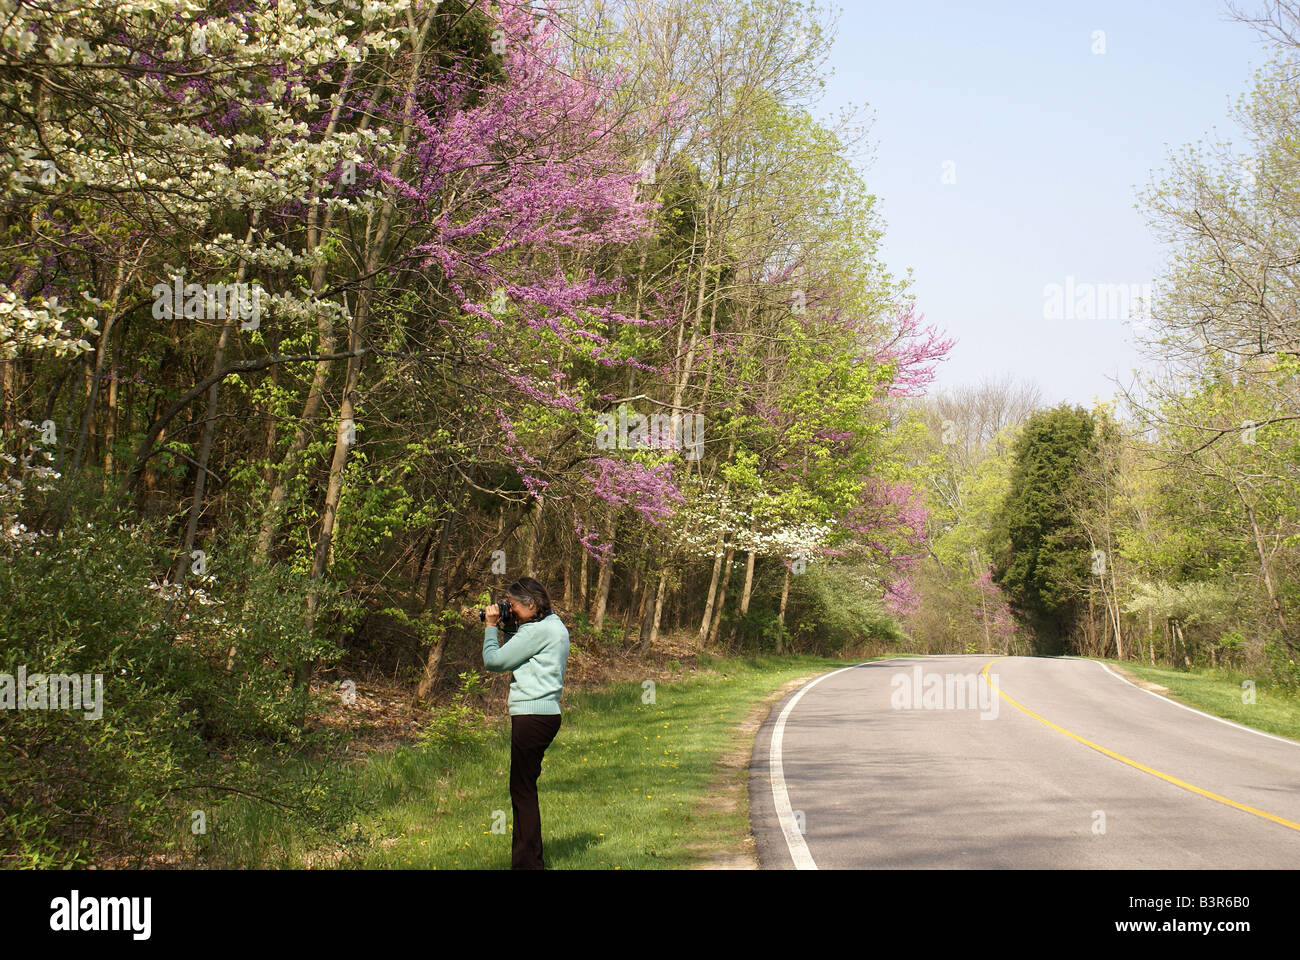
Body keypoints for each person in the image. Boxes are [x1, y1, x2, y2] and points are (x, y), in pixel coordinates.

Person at [481, 577, 570, 870]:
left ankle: (528, 864)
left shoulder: (536, 631)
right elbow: (520, 653)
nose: (512, 610)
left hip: (531, 715)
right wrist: (510, 624)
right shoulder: (554, 625)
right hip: (546, 714)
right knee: (525, 787)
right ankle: (527, 860)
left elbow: (494, 661)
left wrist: (491, 627)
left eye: (514, 605)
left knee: (522, 790)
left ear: (532, 604)